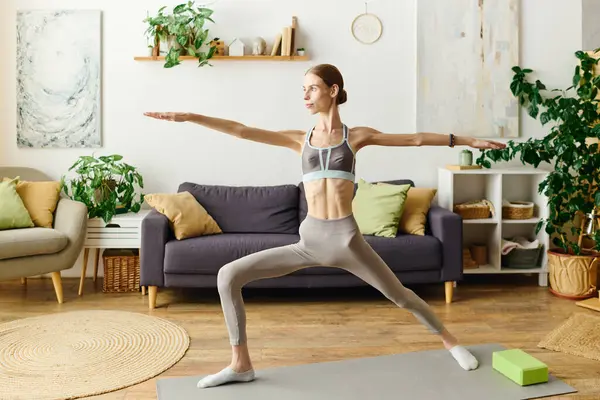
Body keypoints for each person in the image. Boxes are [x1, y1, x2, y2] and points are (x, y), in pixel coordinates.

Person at [144, 63, 506, 389]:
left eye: (312, 88)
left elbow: (412, 139)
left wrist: (466, 140)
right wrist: (189, 116)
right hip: (309, 241)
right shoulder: (296, 139)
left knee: (401, 296)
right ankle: (241, 364)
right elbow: (241, 130)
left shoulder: (356, 137)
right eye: (303, 89)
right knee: (227, 275)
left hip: (349, 242)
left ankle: (452, 344)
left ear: (333, 91)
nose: (305, 95)